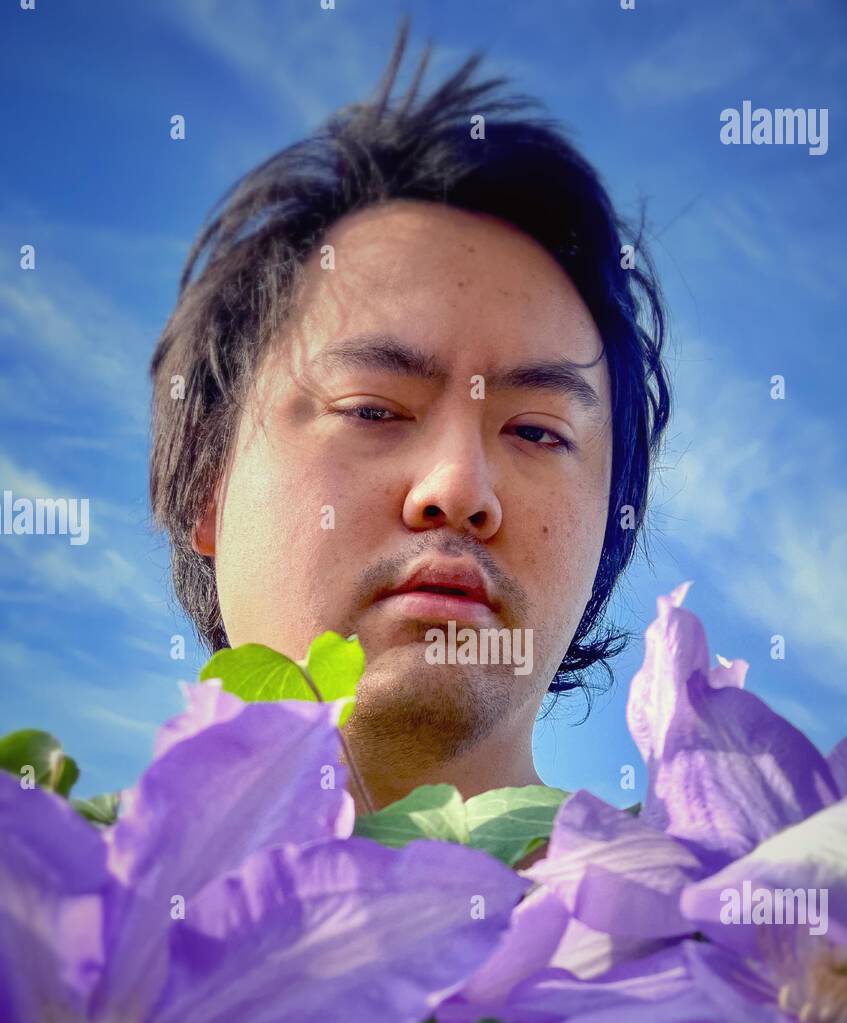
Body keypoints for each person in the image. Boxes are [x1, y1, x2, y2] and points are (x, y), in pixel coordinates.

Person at [148, 19, 669, 811]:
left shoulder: (721, 923)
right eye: (372, 410)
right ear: (207, 489)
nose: (460, 488)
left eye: (537, 431)